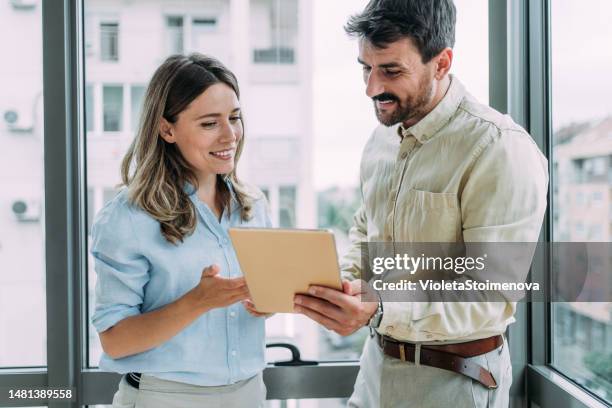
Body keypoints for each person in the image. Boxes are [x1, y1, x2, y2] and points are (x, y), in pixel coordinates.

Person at [293, 0, 548, 407]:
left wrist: (378, 306)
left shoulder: (498, 149)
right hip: (374, 373)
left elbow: (489, 296)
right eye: (365, 67)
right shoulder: (380, 142)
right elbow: (367, 230)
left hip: (454, 384)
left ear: (442, 63)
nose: (372, 88)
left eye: (391, 70)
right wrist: (341, 287)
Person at [91, 53, 270, 408]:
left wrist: (268, 300)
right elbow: (115, 339)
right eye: (209, 124)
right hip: (166, 397)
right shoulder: (128, 216)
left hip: (249, 392)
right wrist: (197, 302)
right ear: (167, 129)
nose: (230, 135)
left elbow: (254, 299)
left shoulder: (252, 205)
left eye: (234, 118)